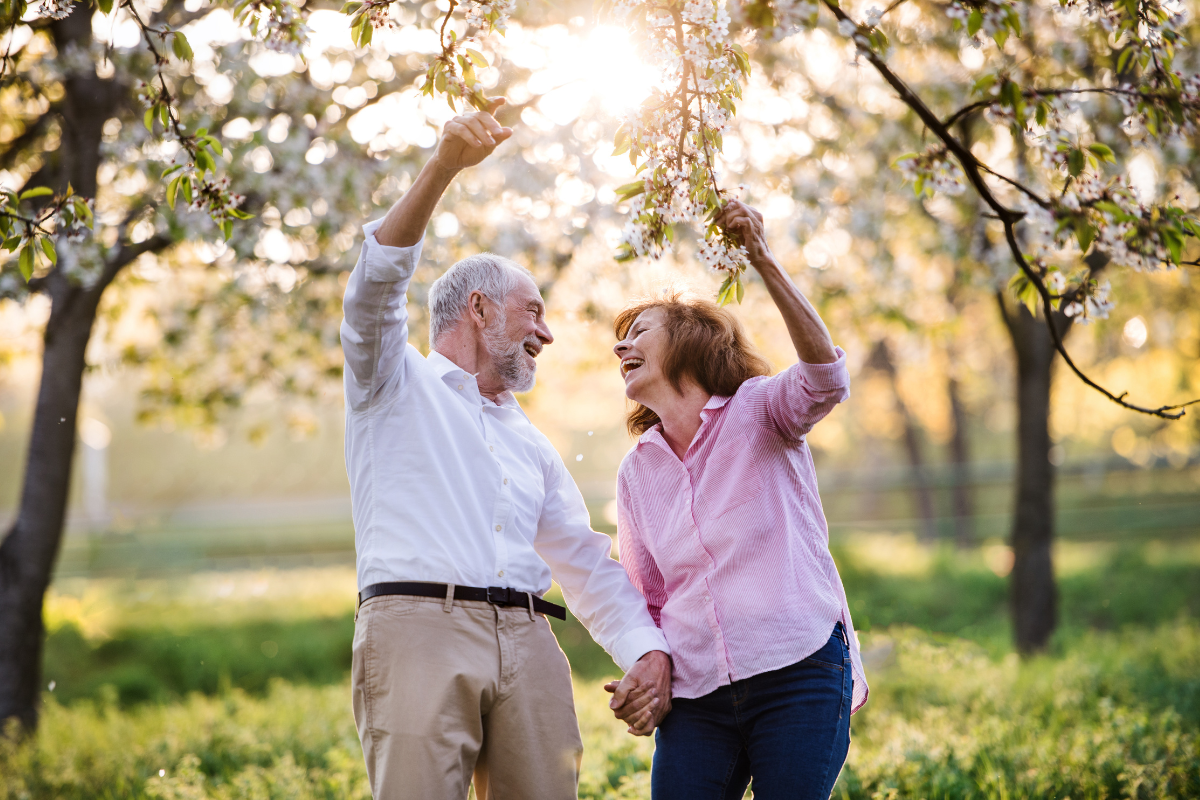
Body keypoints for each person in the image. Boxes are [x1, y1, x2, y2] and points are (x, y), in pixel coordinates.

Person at [341, 97, 671, 800]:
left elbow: (584, 559)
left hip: (529, 636)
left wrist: (647, 651)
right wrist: (442, 168)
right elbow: (374, 288)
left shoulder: (530, 444)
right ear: (480, 310)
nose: (547, 336)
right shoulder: (391, 384)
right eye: (534, 312)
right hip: (416, 627)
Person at [607, 200, 869, 799]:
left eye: (638, 332)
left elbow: (827, 377)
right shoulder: (636, 472)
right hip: (698, 698)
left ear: (688, 341)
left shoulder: (758, 411)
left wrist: (762, 258)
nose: (621, 349)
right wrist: (645, 671)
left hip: (797, 671)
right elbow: (649, 596)